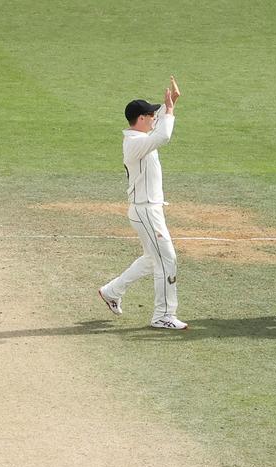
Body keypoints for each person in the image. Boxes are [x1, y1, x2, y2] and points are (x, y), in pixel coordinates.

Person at [98, 76, 187, 330]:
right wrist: (169, 111)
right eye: (150, 115)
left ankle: (111, 292)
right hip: (146, 211)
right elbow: (164, 137)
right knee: (167, 260)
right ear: (141, 119)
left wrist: (172, 105)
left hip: (149, 209)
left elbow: (160, 128)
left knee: (152, 259)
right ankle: (163, 315)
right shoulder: (135, 143)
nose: (153, 117)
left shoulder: (140, 136)